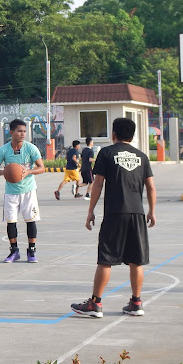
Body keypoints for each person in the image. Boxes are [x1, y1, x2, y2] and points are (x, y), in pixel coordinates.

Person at [71, 117, 156, 318]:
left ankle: (95, 303)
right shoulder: (142, 156)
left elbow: (98, 183)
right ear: (132, 136)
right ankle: (136, 303)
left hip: (115, 213)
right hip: (137, 213)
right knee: (136, 260)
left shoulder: (107, 153)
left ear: (113, 134)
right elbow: (151, 187)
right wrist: (152, 211)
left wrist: (90, 210)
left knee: (106, 259)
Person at [0, 119, 45, 263]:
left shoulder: (31, 148)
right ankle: (14, 251)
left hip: (28, 190)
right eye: (19, 131)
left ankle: (31, 250)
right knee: (11, 222)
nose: (23, 134)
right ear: (11, 132)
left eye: (24, 131)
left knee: (31, 220)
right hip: (11, 191)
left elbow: (42, 168)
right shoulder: (4, 150)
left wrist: (28, 172)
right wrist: (5, 172)